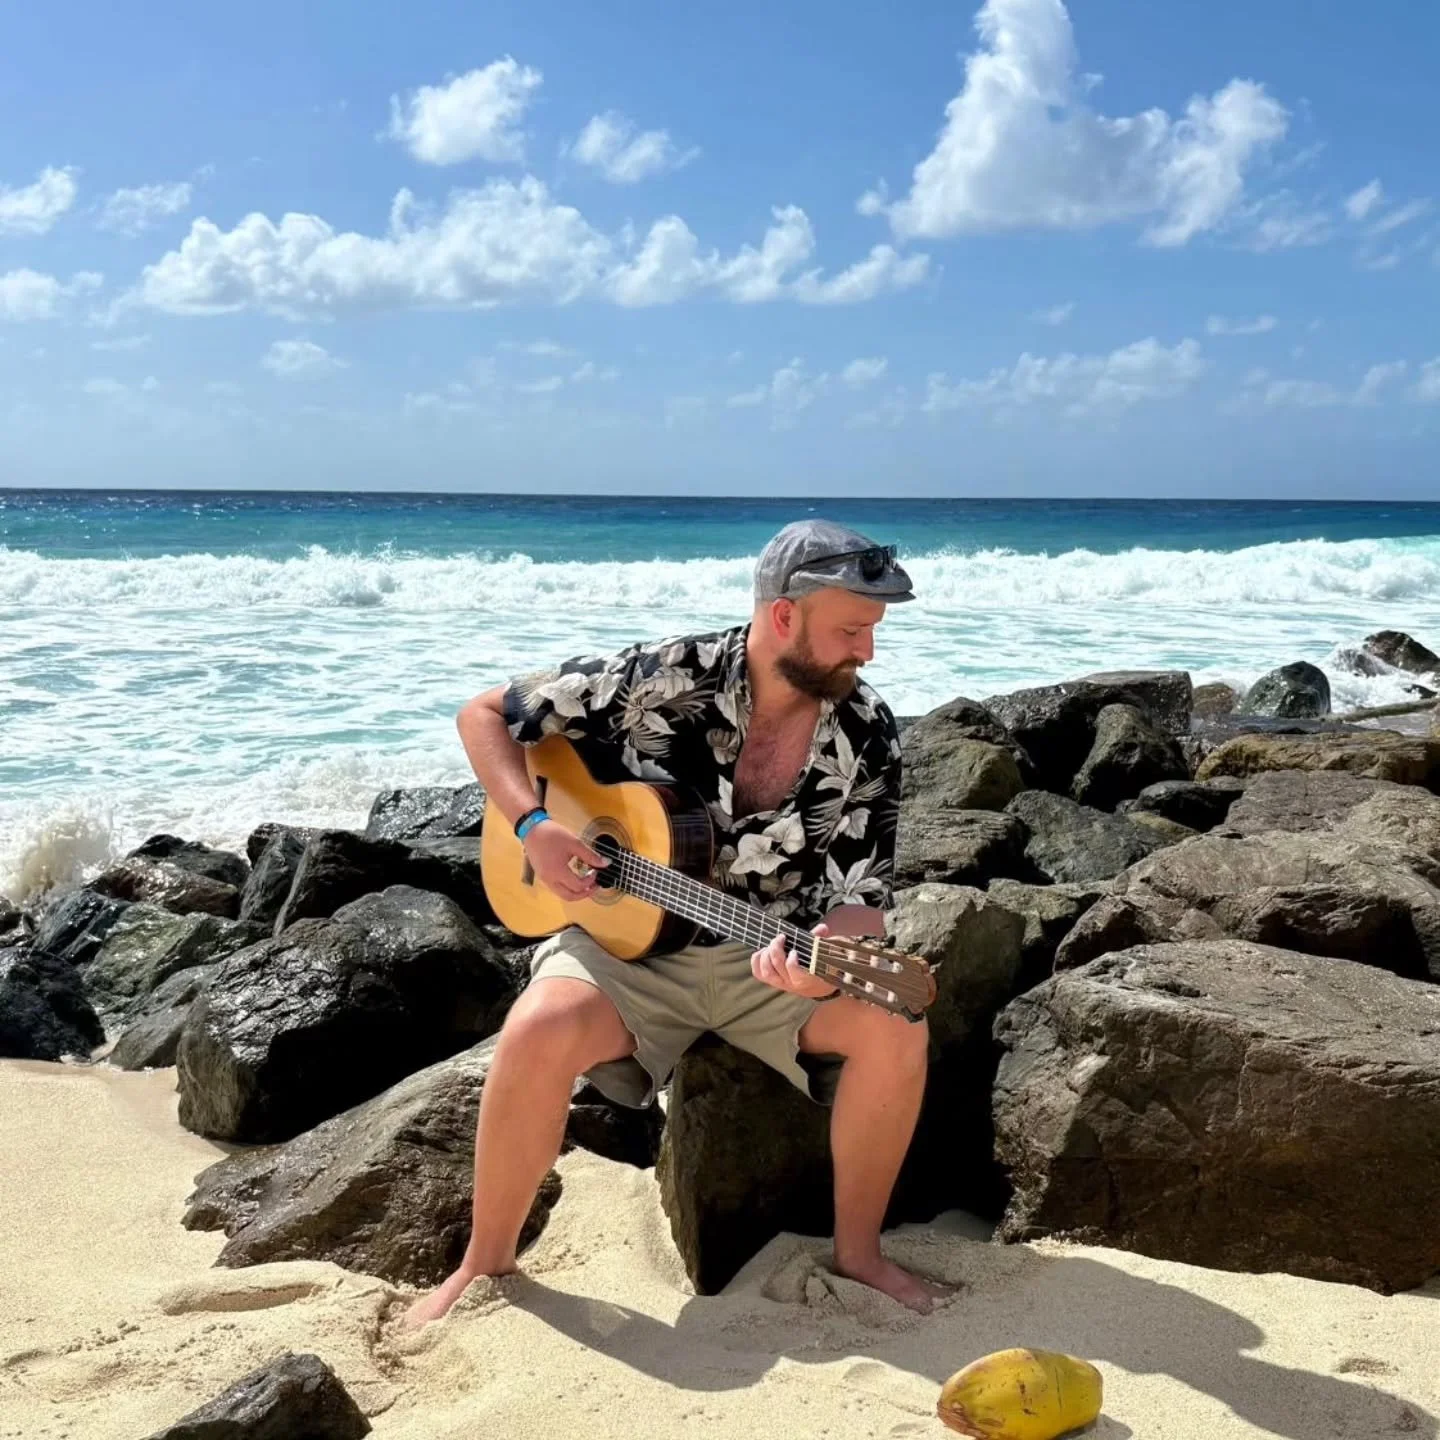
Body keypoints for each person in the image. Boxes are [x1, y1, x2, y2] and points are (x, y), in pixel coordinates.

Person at [405, 518, 942, 1324]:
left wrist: (833, 955)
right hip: (626, 949)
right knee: (534, 1031)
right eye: (852, 631)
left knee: (897, 1030)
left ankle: (856, 1252)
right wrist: (534, 828)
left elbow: (862, 890)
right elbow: (483, 717)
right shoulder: (659, 676)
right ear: (783, 617)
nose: (866, 652)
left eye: (871, 633)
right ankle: (486, 1263)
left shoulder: (866, 729)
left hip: (767, 959)